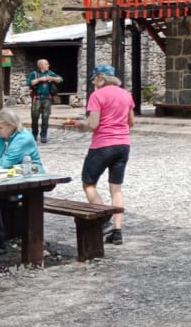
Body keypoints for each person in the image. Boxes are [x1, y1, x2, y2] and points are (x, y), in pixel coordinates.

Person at [0, 109, 44, 256]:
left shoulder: (23, 138)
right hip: (8, 178)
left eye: (0, 127)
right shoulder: (2, 138)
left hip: (29, 178)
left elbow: (5, 163)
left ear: (11, 125)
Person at [78, 64, 134, 246]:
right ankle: (117, 232)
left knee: (89, 184)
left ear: (100, 78)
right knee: (116, 188)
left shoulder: (97, 95)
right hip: (123, 144)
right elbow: (131, 122)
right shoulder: (126, 94)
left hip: (102, 144)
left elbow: (93, 124)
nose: (93, 83)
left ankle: (105, 221)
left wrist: (81, 124)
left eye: (94, 79)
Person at [27, 59, 62, 144]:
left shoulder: (50, 73)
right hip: (37, 99)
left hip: (47, 99)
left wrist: (51, 78)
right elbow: (29, 83)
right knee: (35, 118)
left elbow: (60, 79)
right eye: (46, 64)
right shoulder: (34, 74)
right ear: (41, 65)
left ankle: (43, 135)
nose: (48, 65)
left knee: (45, 118)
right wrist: (39, 79)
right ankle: (34, 134)